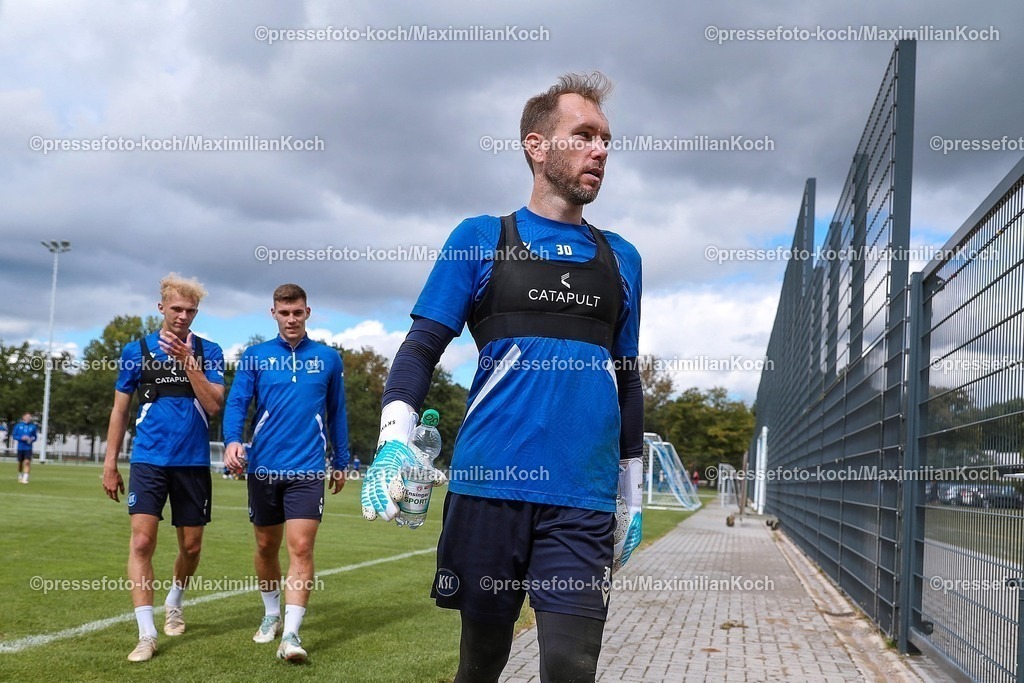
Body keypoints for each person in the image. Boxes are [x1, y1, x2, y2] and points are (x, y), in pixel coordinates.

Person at [361, 72, 644, 682]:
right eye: (583, 135)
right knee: (482, 665)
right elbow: (420, 349)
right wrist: (392, 439)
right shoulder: (482, 238)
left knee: (571, 667)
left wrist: (633, 491)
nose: (599, 150)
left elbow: (628, 381)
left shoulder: (622, 257)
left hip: (581, 500)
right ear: (537, 146)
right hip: (491, 486)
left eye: (605, 139)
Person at [101, 274, 225, 662]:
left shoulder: (210, 350)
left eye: (190, 310)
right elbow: (120, 410)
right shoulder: (135, 350)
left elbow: (214, 404)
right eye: (176, 308)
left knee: (191, 546)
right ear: (161, 308)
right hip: (148, 461)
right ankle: (146, 633)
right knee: (141, 542)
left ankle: (175, 601)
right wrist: (110, 463)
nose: (183, 316)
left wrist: (189, 363)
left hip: (192, 464)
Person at [222, 284, 349, 663]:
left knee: (301, 547)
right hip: (263, 468)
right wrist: (231, 440)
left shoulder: (328, 359)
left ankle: (291, 634)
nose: (291, 319)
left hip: (307, 468)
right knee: (265, 546)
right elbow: (238, 403)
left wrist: (341, 460)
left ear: (308, 313)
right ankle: (271, 614)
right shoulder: (256, 356)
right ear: (273, 313)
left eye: (297, 313)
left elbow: (337, 412)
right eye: (284, 313)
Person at [13, 413, 38, 484]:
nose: (28, 418)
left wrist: (31, 439)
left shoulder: (33, 427)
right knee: (20, 462)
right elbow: (14, 436)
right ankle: (20, 475)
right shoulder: (18, 426)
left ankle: (25, 478)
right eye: (27, 417)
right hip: (20, 447)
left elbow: (35, 437)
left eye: (30, 417)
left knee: (27, 462)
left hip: (28, 447)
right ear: (23, 417)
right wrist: (21, 438)